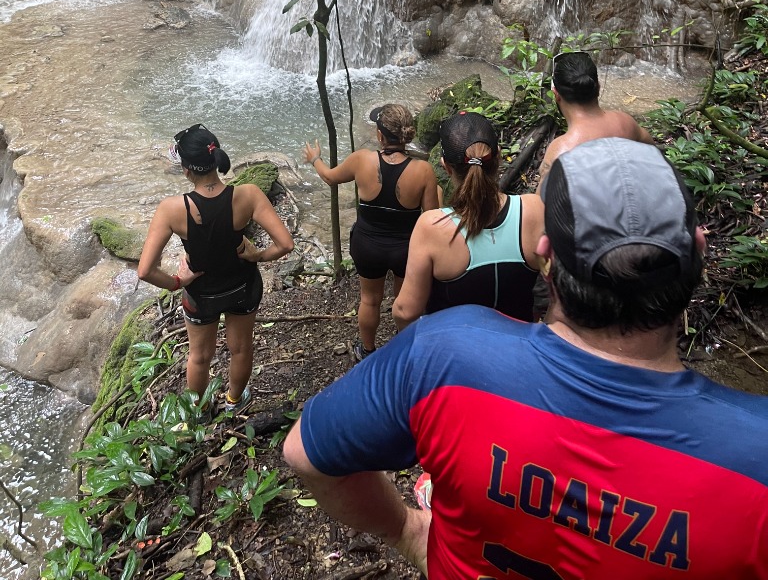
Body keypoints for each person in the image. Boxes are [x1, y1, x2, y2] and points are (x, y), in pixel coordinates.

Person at [284, 138, 768, 579]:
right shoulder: (754, 454)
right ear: (700, 251)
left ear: (546, 254)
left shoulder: (444, 354)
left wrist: (407, 532)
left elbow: (304, 454)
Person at [138, 123, 294, 411]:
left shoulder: (172, 209)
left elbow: (145, 270)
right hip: (243, 287)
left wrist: (177, 282)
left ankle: (200, 412)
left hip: (201, 294)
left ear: (186, 170)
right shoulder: (247, 195)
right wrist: (257, 255)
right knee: (241, 348)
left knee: (199, 356)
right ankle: (234, 401)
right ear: (216, 157)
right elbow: (285, 244)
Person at [303, 104, 438, 360]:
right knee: (405, 301)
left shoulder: (361, 159)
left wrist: (315, 159)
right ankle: (404, 351)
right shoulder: (423, 171)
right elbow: (431, 219)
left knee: (369, 300)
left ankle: (366, 350)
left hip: (367, 246)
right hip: (405, 248)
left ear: (380, 135)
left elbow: (330, 178)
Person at [392, 111, 545, 328]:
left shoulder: (432, 226)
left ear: (445, 166)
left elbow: (405, 311)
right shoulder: (533, 209)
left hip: (456, 355)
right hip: (517, 352)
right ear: (498, 156)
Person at [537, 50, 654, 192]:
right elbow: (652, 153)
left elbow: (542, 206)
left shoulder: (559, 151)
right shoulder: (626, 122)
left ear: (556, 95)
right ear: (598, 87)